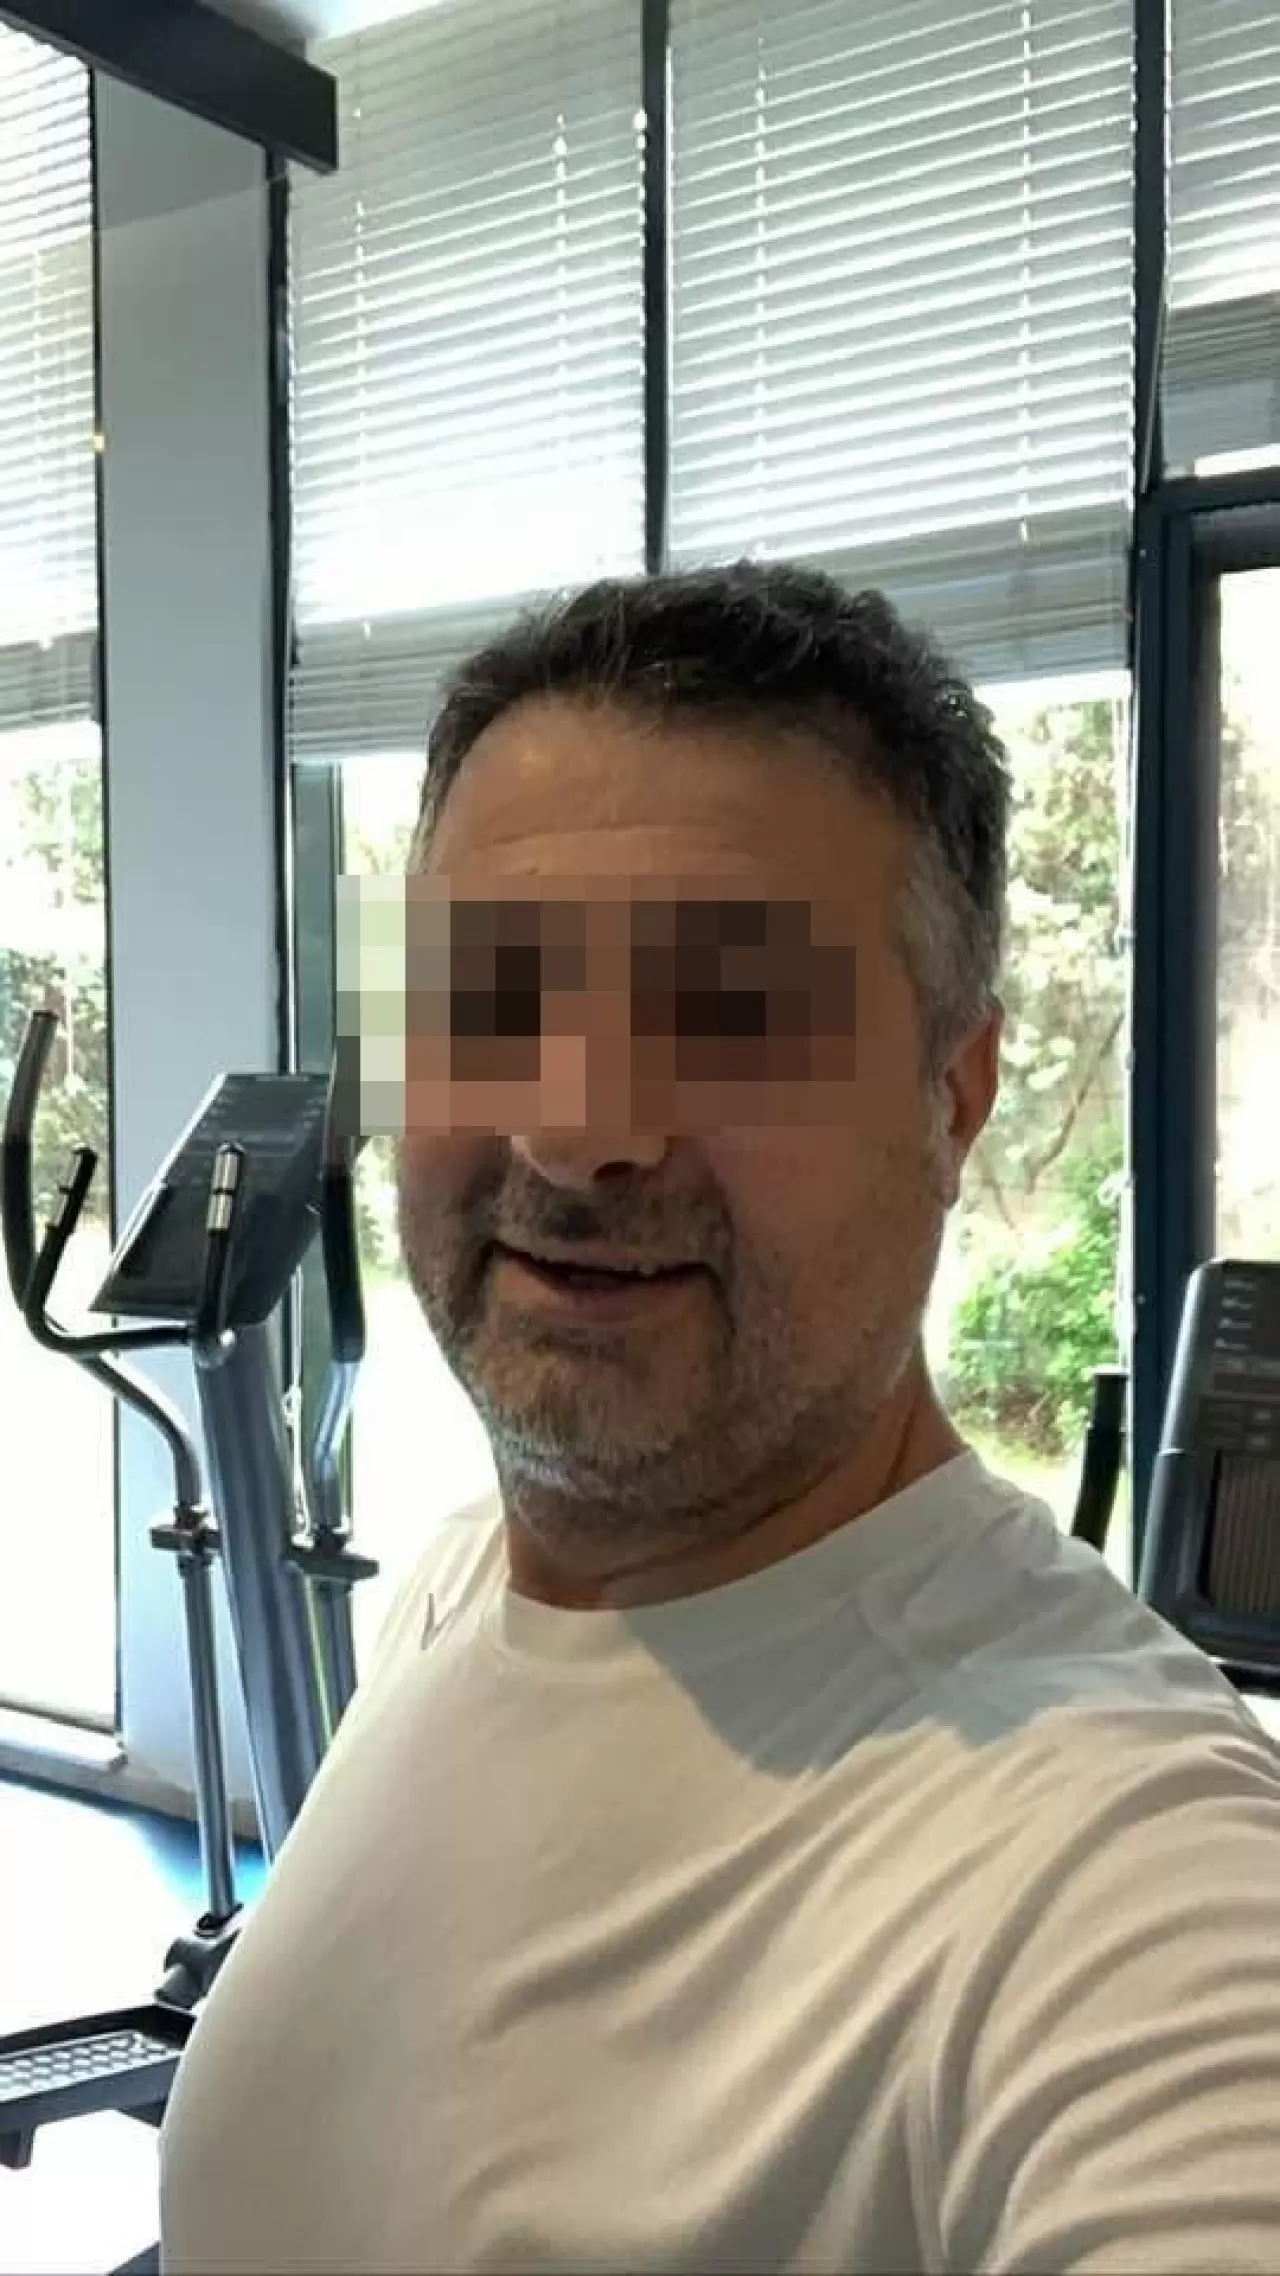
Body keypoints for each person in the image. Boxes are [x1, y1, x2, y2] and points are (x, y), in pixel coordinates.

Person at [160, 564, 1280, 2274]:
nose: (576, 1129)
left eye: (728, 1015)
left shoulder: (1119, 1867)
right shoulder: (465, 1587)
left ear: (954, 1096)